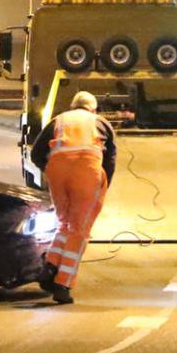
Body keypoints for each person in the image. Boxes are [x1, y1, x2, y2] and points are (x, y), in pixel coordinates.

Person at [30, 90, 116, 305]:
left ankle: (50, 264)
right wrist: (102, 184)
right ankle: (63, 285)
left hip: (57, 170)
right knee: (79, 230)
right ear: (93, 109)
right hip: (86, 171)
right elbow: (110, 159)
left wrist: (50, 169)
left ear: (72, 107)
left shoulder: (58, 121)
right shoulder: (100, 122)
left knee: (64, 223)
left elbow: (36, 153)